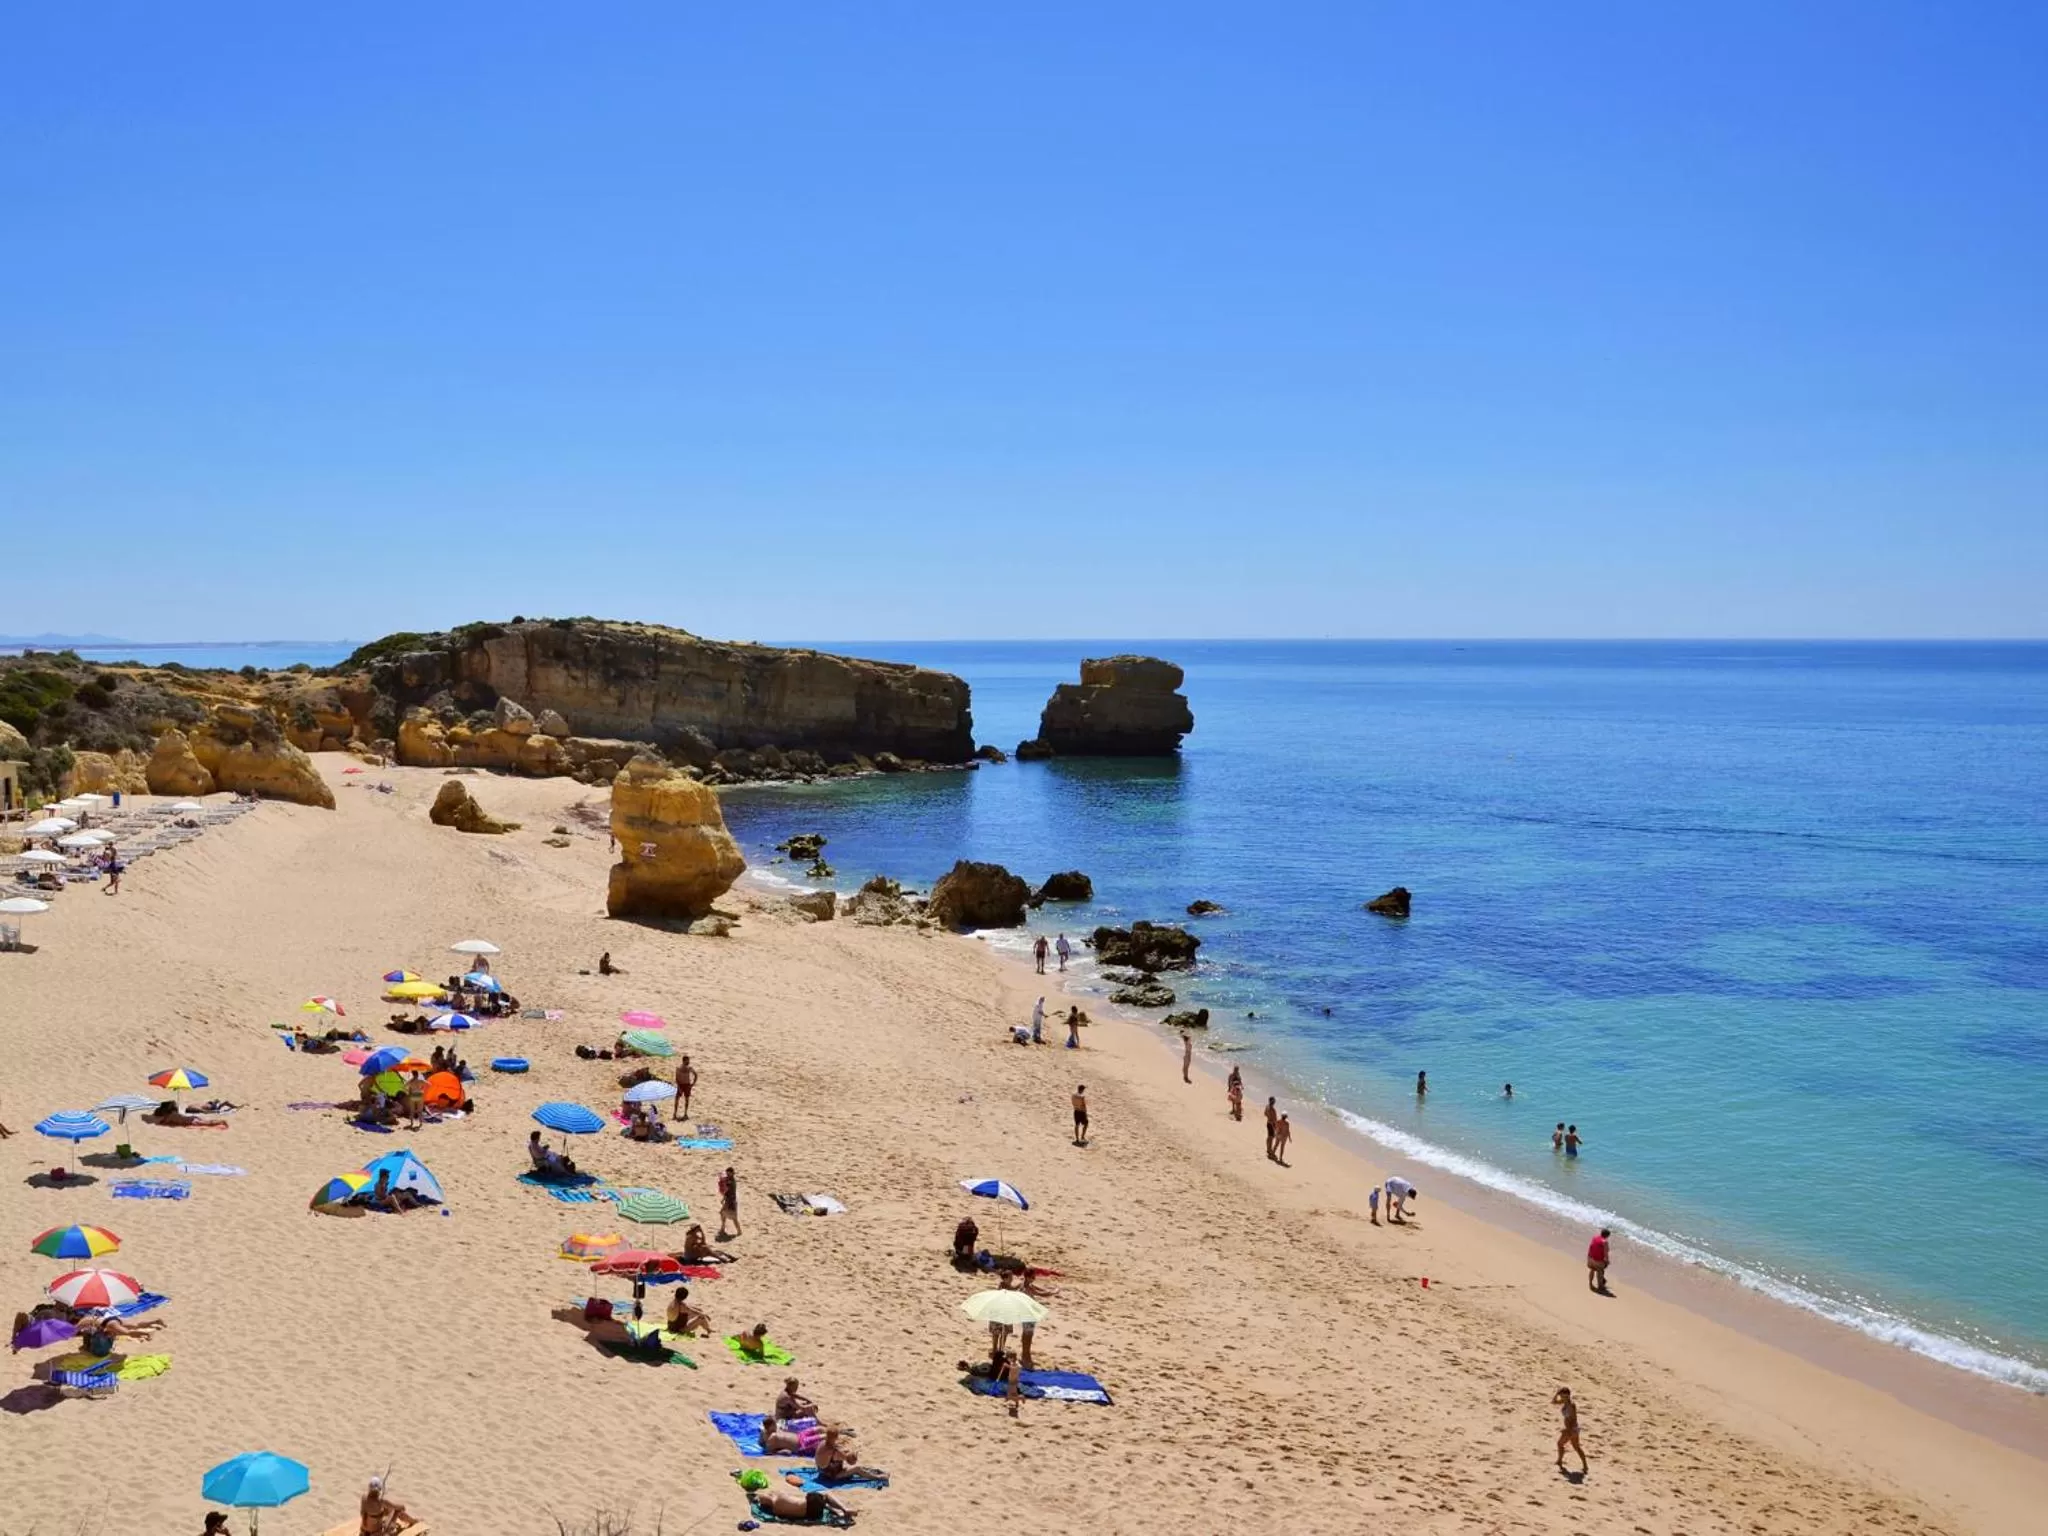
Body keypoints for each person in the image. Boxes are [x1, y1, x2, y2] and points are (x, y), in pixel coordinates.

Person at [749, 1482, 855, 1527]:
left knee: (821, 1503)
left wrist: (763, 1498)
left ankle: (836, 1511)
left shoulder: (776, 1511)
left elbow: (762, 1499)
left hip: (810, 1514)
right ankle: (844, 1509)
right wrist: (767, 1495)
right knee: (825, 1495)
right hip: (810, 1506)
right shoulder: (779, 1498)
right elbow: (763, 1496)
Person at [815, 1424, 888, 1485]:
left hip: (821, 1472)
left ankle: (874, 1474)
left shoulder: (822, 1443)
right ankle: (879, 1477)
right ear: (836, 1437)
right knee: (857, 1469)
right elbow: (851, 1461)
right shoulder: (834, 1452)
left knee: (844, 1454)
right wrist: (853, 1454)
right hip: (832, 1476)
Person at [1553, 1387, 1588, 1474]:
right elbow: (1553, 1402)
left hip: (1571, 1429)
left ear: (1568, 1395)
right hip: (1574, 1429)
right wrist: (1556, 1394)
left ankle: (1559, 1461)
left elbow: (1573, 1419)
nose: (1561, 1398)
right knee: (1576, 1447)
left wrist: (1567, 1430)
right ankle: (1585, 1466)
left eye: (1563, 1396)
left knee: (1560, 1444)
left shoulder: (1571, 1405)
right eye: (1561, 1396)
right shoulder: (1565, 1402)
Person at [718, 1165, 742, 1239]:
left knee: (734, 1217)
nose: (727, 1174)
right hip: (728, 1200)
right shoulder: (729, 1179)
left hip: (731, 1201)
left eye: (728, 1173)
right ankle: (723, 1227)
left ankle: (739, 1231)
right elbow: (726, 1191)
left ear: (732, 1173)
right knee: (722, 1213)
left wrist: (722, 1182)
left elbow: (727, 1189)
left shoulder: (731, 1181)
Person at [1587, 1228, 1612, 1294]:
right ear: (1607, 1236)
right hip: (1598, 1261)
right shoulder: (1605, 1242)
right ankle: (1600, 1287)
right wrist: (1607, 1261)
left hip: (1590, 1258)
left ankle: (1590, 1283)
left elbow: (1591, 1247)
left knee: (1592, 1270)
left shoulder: (1594, 1237)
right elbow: (1606, 1254)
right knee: (1600, 1271)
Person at [674, 1055, 698, 1121]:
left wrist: (693, 1084)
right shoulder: (678, 1068)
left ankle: (685, 1113)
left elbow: (696, 1075)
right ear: (684, 1061)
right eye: (687, 1060)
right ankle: (675, 1114)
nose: (688, 1062)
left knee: (687, 1100)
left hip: (687, 1085)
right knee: (677, 1100)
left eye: (689, 1060)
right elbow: (677, 1079)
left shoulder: (690, 1068)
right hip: (681, 1085)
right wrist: (679, 1087)